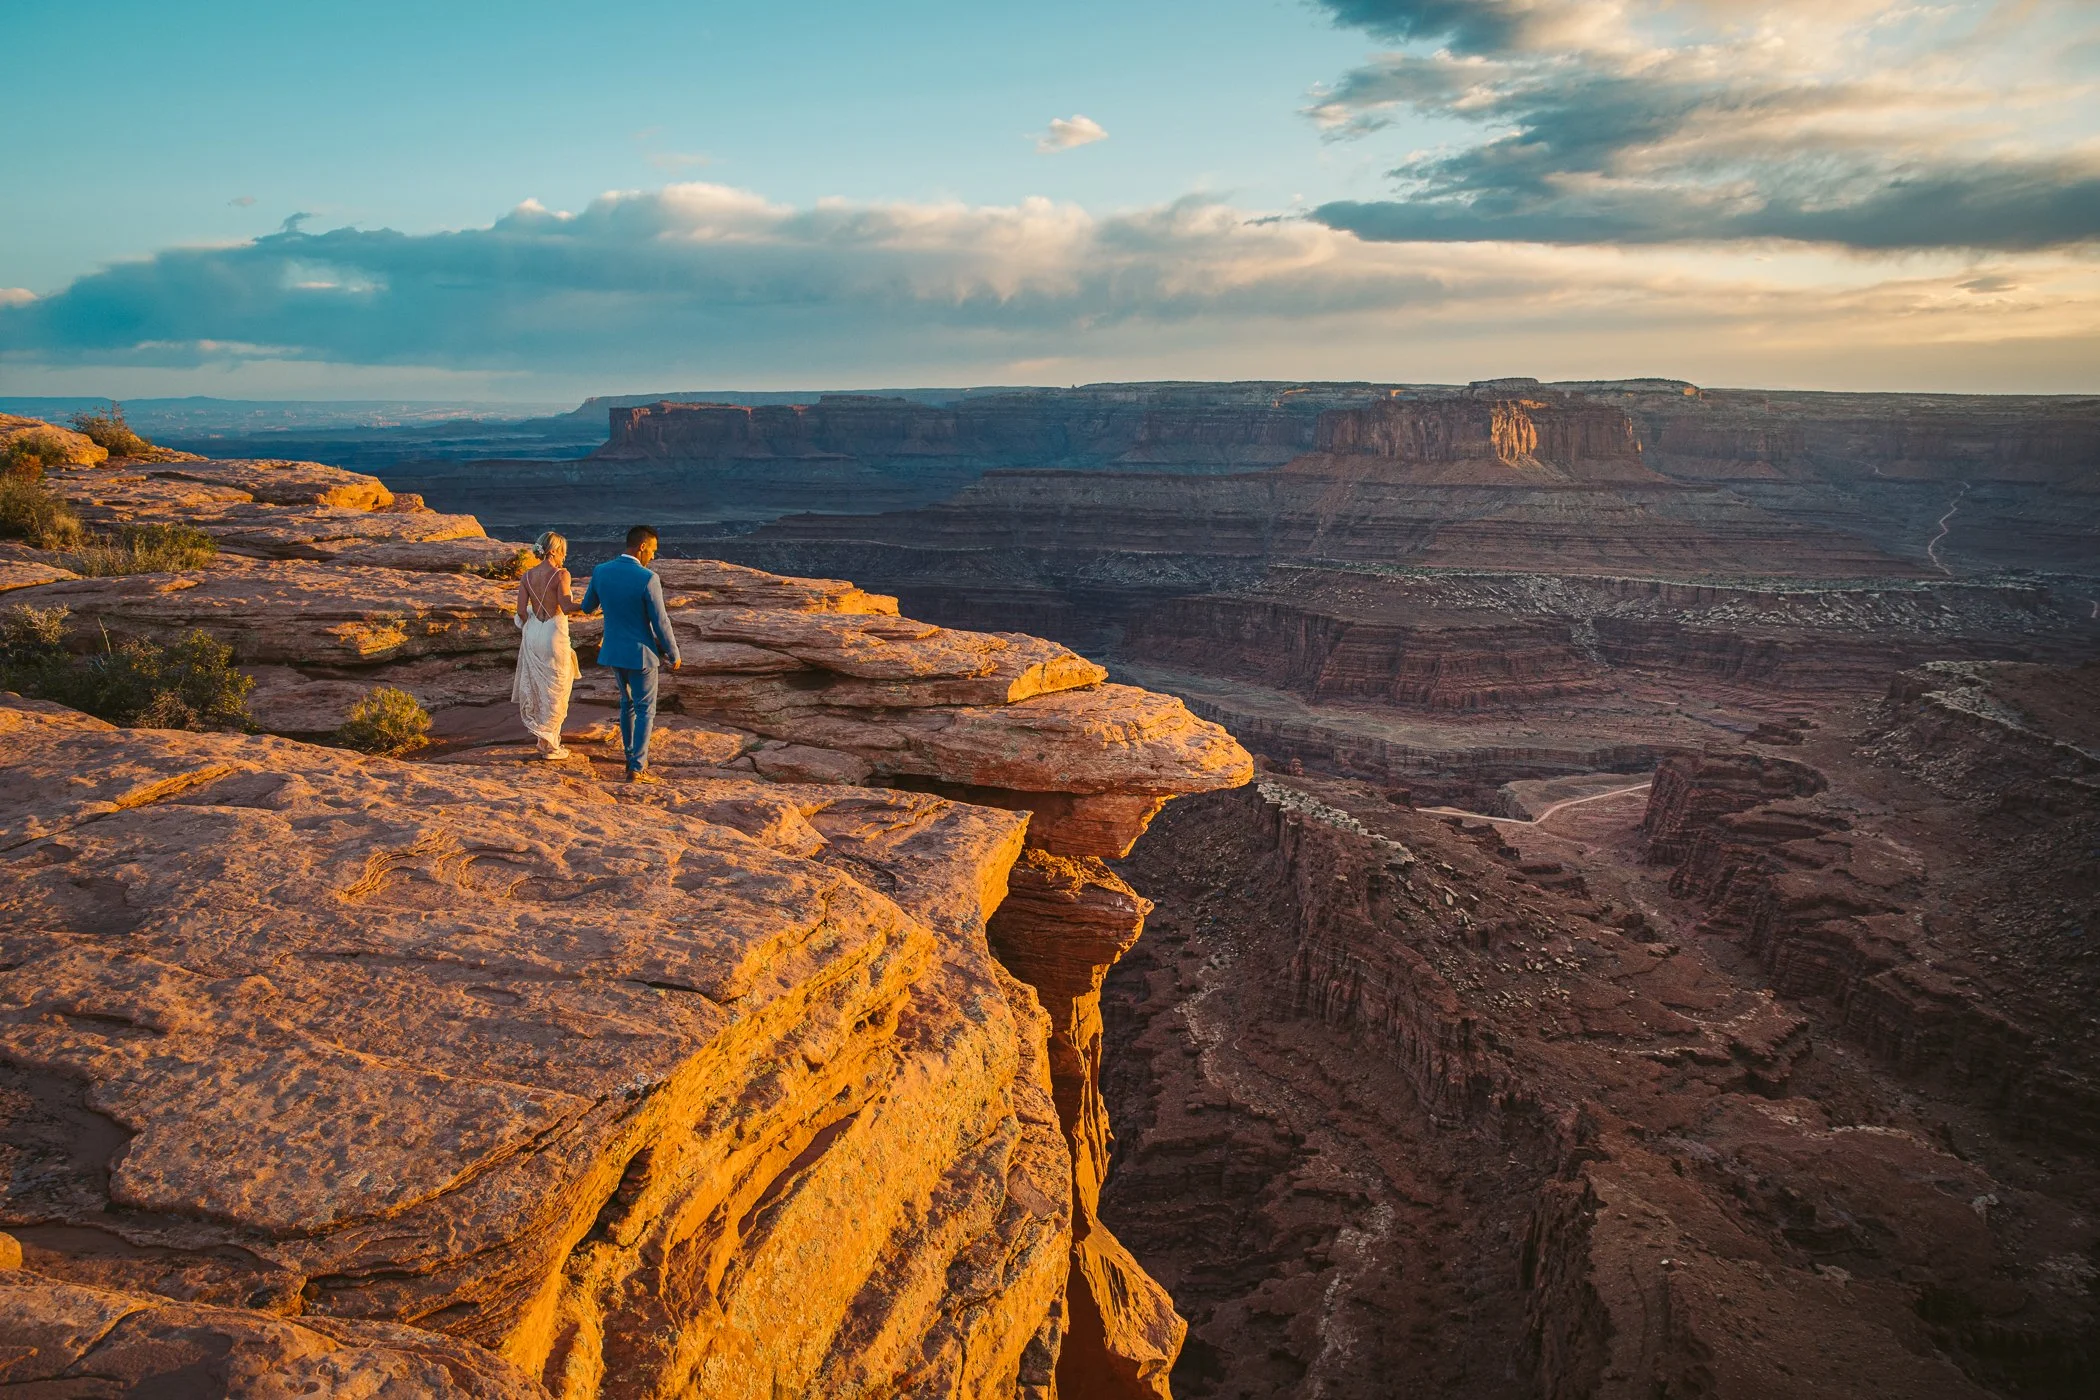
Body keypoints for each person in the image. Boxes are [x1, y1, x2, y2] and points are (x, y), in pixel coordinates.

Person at [579, 524, 682, 783]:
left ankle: (629, 758)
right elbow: (661, 621)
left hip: (614, 651)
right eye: (653, 551)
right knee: (646, 709)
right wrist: (673, 652)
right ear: (642, 547)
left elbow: (587, 607)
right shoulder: (647, 578)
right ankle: (637, 767)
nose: (654, 557)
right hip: (641, 655)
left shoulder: (601, 571)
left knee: (627, 705)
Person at [511, 530, 580, 760]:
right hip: (554, 633)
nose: (564, 557)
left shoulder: (527, 576)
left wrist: (531, 622)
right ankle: (551, 746)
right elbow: (567, 606)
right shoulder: (561, 574)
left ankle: (544, 741)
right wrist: (592, 604)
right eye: (562, 552)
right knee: (557, 686)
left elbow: (521, 611)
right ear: (553, 551)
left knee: (540, 686)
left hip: (533, 634)